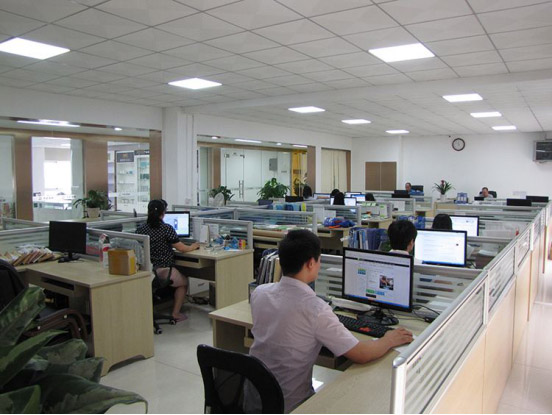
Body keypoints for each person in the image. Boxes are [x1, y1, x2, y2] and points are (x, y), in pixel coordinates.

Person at [246, 230, 412, 413]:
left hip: (253, 402)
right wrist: (389, 339)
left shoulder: (260, 293)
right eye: (319, 259)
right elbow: (361, 354)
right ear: (311, 263)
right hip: (293, 407)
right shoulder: (315, 309)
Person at [136, 199, 199, 321]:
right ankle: (175, 313)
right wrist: (193, 246)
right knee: (184, 282)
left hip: (148, 271)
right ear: (163, 213)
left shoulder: (141, 229)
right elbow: (182, 248)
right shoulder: (166, 228)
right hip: (162, 270)